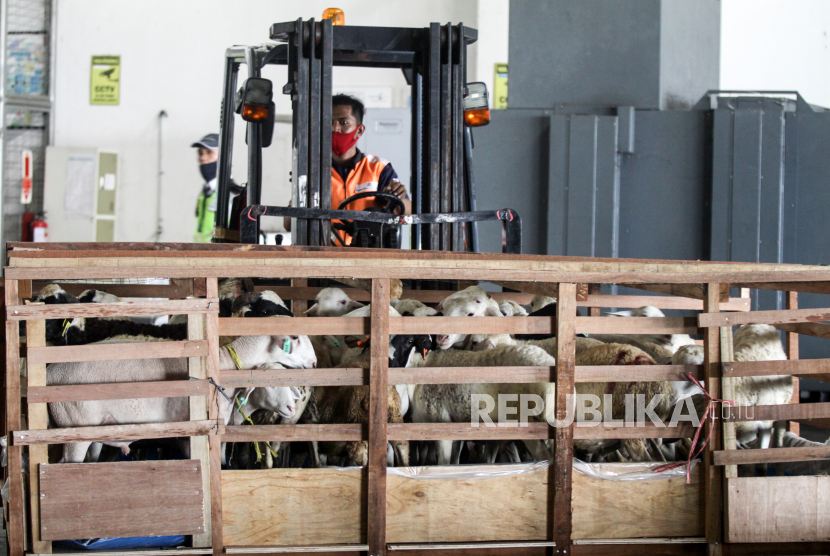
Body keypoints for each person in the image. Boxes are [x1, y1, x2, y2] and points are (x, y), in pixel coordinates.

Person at [284, 94, 411, 245]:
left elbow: (406, 213)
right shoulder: (312, 170)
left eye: (343, 122)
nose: (335, 128)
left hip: (367, 253)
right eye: (329, 122)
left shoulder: (378, 168)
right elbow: (288, 224)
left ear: (359, 131)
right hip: (323, 254)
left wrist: (398, 197)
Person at [192, 133, 219, 243]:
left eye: (209, 152)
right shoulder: (205, 193)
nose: (202, 158)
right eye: (200, 153)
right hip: (201, 255)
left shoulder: (231, 194)